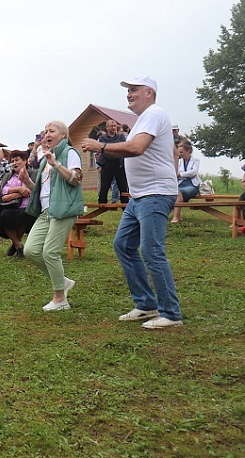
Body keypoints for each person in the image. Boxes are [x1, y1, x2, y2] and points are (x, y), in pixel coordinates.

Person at [81, 75, 183, 329]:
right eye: (128, 90)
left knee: (151, 251)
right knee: (124, 245)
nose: (129, 94)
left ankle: (171, 313)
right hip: (140, 196)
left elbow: (137, 148)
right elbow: (169, 150)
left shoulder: (154, 114)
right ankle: (147, 304)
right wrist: (171, 171)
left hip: (155, 194)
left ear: (149, 93)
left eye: (133, 89)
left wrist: (100, 146)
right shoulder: (143, 120)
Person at [23, 120, 84, 311]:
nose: (47, 134)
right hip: (46, 210)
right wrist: (27, 181)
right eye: (45, 131)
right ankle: (62, 282)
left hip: (64, 209)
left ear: (63, 135)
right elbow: (44, 190)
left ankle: (60, 299)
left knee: (50, 252)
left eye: (52, 131)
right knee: (31, 250)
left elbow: (76, 179)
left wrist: (56, 163)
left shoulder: (69, 153)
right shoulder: (45, 159)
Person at [0, 150, 37, 258]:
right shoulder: (8, 176)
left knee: (24, 215)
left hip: (27, 207)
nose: (14, 163)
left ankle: (16, 245)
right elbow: (3, 193)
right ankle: (18, 245)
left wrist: (11, 194)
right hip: (10, 206)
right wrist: (19, 189)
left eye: (17, 160)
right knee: (5, 216)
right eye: (12, 161)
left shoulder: (33, 174)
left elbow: (31, 191)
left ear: (25, 161)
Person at [97, 120, 129, 204]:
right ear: (107, 127)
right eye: (111, 126)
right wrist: (113, 147)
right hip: (107, 164)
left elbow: (121, 147)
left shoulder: (121, 137)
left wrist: (109, 147)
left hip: (119, 164)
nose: (113, 128)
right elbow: (103, 149)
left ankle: (125, 204)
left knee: (123, 185)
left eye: (115, 126)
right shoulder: (102, 138)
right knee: (105, 185)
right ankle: (102, 204)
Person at [170, 137, 201, 223]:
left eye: (181, 152)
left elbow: (193, 172)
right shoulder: (179, 162)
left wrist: (180, 174)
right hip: (180, 184)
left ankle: (176, 217)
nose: (180, 154)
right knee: (173, 192)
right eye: (179, 152)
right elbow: (174, 172)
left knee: (179, 193)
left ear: (188, 151)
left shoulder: (195, 161)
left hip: (192, 185)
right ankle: (177, 216)